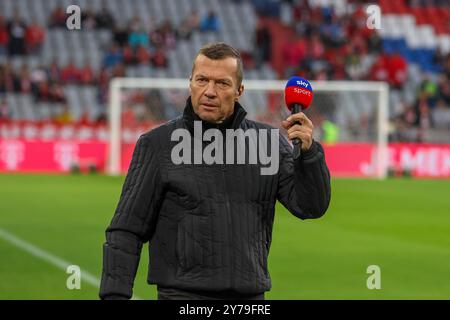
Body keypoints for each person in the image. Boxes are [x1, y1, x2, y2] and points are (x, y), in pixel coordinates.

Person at [99, 42, 331, 300]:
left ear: (239, 90)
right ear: (190, 83)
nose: (209, 91)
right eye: (202, 80)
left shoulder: (269, 143)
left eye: (221, 83)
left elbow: (311, 206)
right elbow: (126, 230)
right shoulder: (158, 144)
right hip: (183, 298)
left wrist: (309, 154)